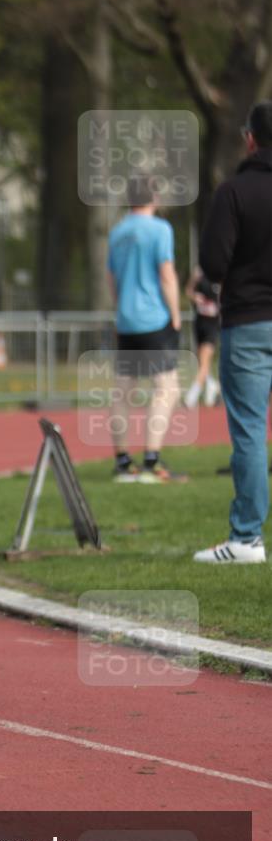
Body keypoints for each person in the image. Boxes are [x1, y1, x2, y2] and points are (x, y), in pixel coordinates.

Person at [194, 100, 272, 564]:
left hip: (248, 322)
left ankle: (246, 539)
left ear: (250, 139)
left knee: (249, 434)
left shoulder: (235, 192)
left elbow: (213, 263)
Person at [107, 176, 184, 484]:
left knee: (123, 391)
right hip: (154, 319)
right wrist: (176, 313)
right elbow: (167, 274)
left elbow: (111, 278)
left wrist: (120, 310)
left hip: (126, 320)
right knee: (166, 388)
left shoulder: (117, 231)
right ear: (153, 198)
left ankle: (123, 462)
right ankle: (152, 460)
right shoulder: (160, 229)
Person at [183, 266, 221, 408]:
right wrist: (195, 297)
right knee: (202, 362)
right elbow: (189, 291)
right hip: (199, 323)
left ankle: (191, 397)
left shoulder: (221, 273)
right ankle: (213, 386)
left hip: (212, 325)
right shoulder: (199, 272)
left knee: (204, 362)